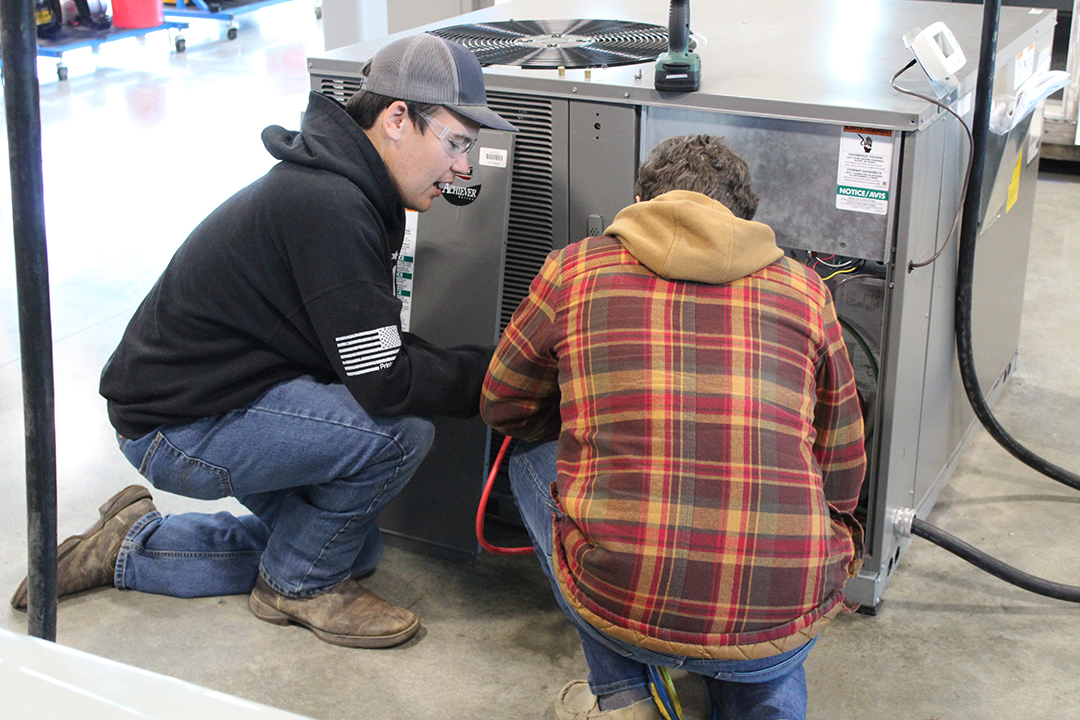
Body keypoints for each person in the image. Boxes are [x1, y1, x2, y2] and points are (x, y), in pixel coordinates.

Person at [10, 33, 518, 650]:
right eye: (457, 142)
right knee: (400, 434)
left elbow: (367, 351)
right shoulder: (331, 205)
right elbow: (385, 379)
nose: (464, 168)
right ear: (395, 120)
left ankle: (133, 540)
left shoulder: (341, 186)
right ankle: (295, 586)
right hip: (177, 422)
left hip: (223, 392)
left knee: (353, 551)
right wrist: (507, 374)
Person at [480, 135, 867, 720]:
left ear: (639, 201)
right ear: (743, 218)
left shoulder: (574, 269)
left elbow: (502, 403)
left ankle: (624, 696)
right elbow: (841, 458)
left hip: (624, 607)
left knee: (533, 464)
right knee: (773, 609)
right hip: (786, 608)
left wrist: (592, 419)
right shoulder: (806, 291)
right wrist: (829, 538)